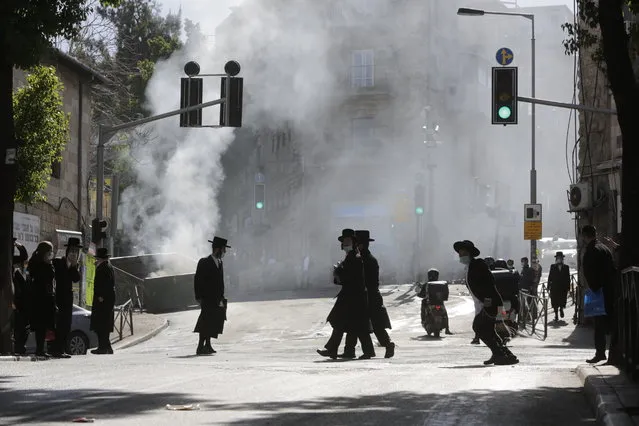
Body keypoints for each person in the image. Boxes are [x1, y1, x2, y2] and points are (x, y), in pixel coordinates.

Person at [454, 240, 518, 365]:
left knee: (479, 327)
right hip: (482, 304)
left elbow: (489, 282)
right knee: (488, 331)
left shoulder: (478, 264)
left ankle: (499, 354)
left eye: (464, 253)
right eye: (460, 253)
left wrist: (488, 300)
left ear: (470, 253)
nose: (461, 256)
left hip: (489, 302)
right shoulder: (469, 267)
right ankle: (505, 355)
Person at [318, 229, 375, 360]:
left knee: (343, 323)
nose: (345, 243)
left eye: (348, 241)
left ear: (354, 242)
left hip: (354, 297)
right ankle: (346, 350)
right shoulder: (351, 256)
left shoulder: (354, 257)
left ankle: (334, 349)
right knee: (352, 326)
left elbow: (350, 277)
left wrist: (338, 271)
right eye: (344, 241)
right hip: (351, 296)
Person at [339, 230, 395, 359]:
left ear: (360, 245)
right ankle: (351, 350)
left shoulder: (362, 259)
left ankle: (379, 346)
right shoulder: (369, 258)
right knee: (360, 324)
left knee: (363, 324)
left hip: (366, 296)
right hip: (371, 295)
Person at [581, 225, 617, 364]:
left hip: (597, 291)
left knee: (599, 324)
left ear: (584, 236)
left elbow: (589, 272)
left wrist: (593, 288)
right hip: (609, 289)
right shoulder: (605, 248)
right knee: (610, 321)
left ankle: (600, 352)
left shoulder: (591, 250)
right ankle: (610, 350)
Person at [194, 236, 230, 355]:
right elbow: (198, 280)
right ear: (217, 249)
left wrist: (222, 297)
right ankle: (200, 346)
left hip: (217, 298)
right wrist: (198, 296)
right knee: (205, 322)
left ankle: (208, 345)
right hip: (207, 298)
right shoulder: (204, 262)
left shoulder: (220, 262)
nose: (224, 252)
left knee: (213, 322)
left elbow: (221, 282)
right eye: (223, 249)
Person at [51, 237, 82, 358]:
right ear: (67, 251)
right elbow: (58, 277)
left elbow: (76, 279)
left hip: (68, 300)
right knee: (58, 325)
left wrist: (74, 266)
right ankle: (56, 349)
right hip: (58, 298)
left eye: (76, 251)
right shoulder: (59, 262)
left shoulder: (75, 266)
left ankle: (62, 349)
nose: (74, 254)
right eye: (72, 251)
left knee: (66, 325)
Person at [27, 241, 57, 358]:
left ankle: (42, 348)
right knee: (40, 326)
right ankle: (39, 349)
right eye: (49, 253)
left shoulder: (45, 264)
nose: (50, 255)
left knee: (44, 326)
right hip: (40, 300)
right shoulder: (39, 266)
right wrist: (49, 265)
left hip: (46, 299)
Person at [90, 248, 116, 354]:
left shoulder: (103, 268)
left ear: (100, 259)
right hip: (107, 300)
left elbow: (104, 284)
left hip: (102, 301)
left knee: (101, 324)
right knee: (104, 324)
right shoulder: (109, 266)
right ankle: (107, 347)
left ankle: (102, 347)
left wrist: (101, 296)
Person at [12, 239, 30, 355]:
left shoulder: (16, 272)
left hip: (19, 303)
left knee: (23, 326)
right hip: (11, 301)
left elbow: (24, 256)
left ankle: (20, 346)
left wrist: (19, 246)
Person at [548, 251, 571, 322]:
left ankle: (561, 309)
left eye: (560, 258)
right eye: (558, 258)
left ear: (562, 259)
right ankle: (556, 315)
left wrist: (568, 287)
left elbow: (568, 277)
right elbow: (550, 277)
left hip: (563, 287)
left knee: (562, 300)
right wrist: (548, 286)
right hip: (554, 287)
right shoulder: (553, 266)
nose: (559, 259)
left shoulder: (566, 267)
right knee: (554, 301)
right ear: (556, 259)